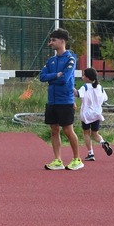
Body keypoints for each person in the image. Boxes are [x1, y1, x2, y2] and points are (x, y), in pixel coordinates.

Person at [39, 28, 83, 171]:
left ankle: (77, 159)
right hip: (52, 101)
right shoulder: (51, 61)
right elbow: (42, 77)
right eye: (50, 40)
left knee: (68, 130)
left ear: (62, 41)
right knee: (54, 130)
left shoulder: (71, 59)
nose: (50, 43)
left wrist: (53, 78)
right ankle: (58, 160)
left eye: (53, 40)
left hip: (65, 101)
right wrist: (54, 76)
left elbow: (64, 79)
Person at [76, 67, 112, 161]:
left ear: (87, 78)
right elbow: (105, 98)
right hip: (97, 114)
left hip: (87, 114)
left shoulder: (85, 87)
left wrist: (69, 86)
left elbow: (77, 94)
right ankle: (103, 142)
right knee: (95, 133)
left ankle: (90, 153)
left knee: (86, 133)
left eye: (84, 75)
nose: (82, 77)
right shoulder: (100, 87)